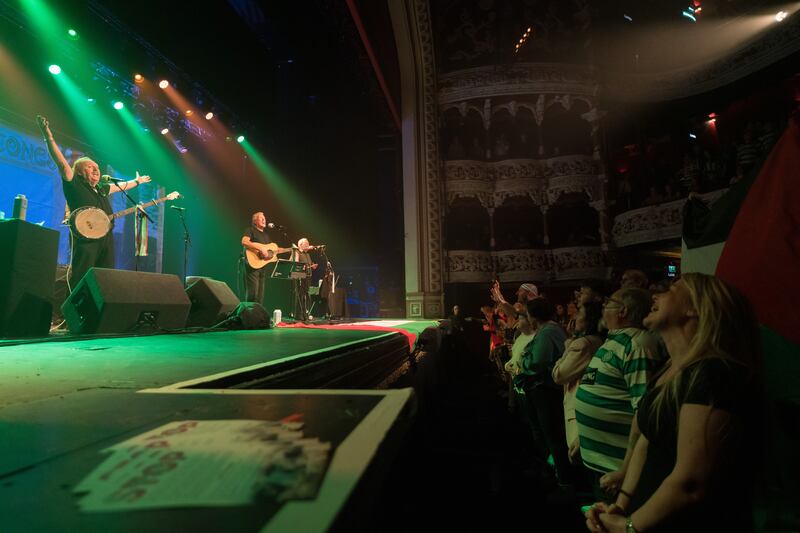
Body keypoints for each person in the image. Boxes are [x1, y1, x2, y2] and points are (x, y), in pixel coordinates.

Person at [585, 274, 763, 533]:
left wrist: (629, 526)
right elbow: (646, 440)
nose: (655, 295)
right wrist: (621, 506)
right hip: (650, 516)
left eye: (672, 289)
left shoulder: (714, 374)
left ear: (695, 308)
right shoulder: (668, 370)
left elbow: (690, 482)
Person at [37, 115, 151, 286]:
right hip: (86, 239)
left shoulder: (101, 189)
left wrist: (138, 182)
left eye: (97, 167)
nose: (96, 169)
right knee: (82, 277)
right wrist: (48, 137)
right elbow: (61, 163)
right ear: (80, 172)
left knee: (105, 278)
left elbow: (123, 186)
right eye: (90, 167)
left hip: (105, 237)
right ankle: (72, 311)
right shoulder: (74, 183)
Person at [575, 287, 663, 500]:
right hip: (600, 460)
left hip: (615, 466)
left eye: (608, 303)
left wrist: (626, 470)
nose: (604, 307)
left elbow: (643, 412)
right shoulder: (615, 340)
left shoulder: (637, 344)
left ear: (622, 311)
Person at [552, 301, 604, 465]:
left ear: (589, 320)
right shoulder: (599, 340)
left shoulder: (582, 345)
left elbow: (558, 374)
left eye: (579, 314)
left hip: (579, 407)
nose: (574, 317)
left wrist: (568, 346)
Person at [241, 212, 289, 305]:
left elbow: (274, 249)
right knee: (253, 294)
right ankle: (249, 316)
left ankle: (257, 316)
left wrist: (291, 249)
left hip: (262, 267)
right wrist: (260, 248)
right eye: (261, 218)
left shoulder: (266, 236)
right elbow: (244, 241)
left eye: (264, 218)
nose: (264, 220)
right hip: (252, 265)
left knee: (260, 296)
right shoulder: (250, 230)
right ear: (255, 221)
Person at [293, 237, 319, 320]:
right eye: (306, 244)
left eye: (308, 243)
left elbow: (309, 265)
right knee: (300, 295)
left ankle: (305, 314)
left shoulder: (307, 254)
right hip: (298, 276)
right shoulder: (297, 252)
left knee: (306, 295)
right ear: (300, 245)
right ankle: (298, 315)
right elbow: (296, 264)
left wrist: (312, 266)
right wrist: (301, 266)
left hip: (307, 276)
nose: (308, 245)